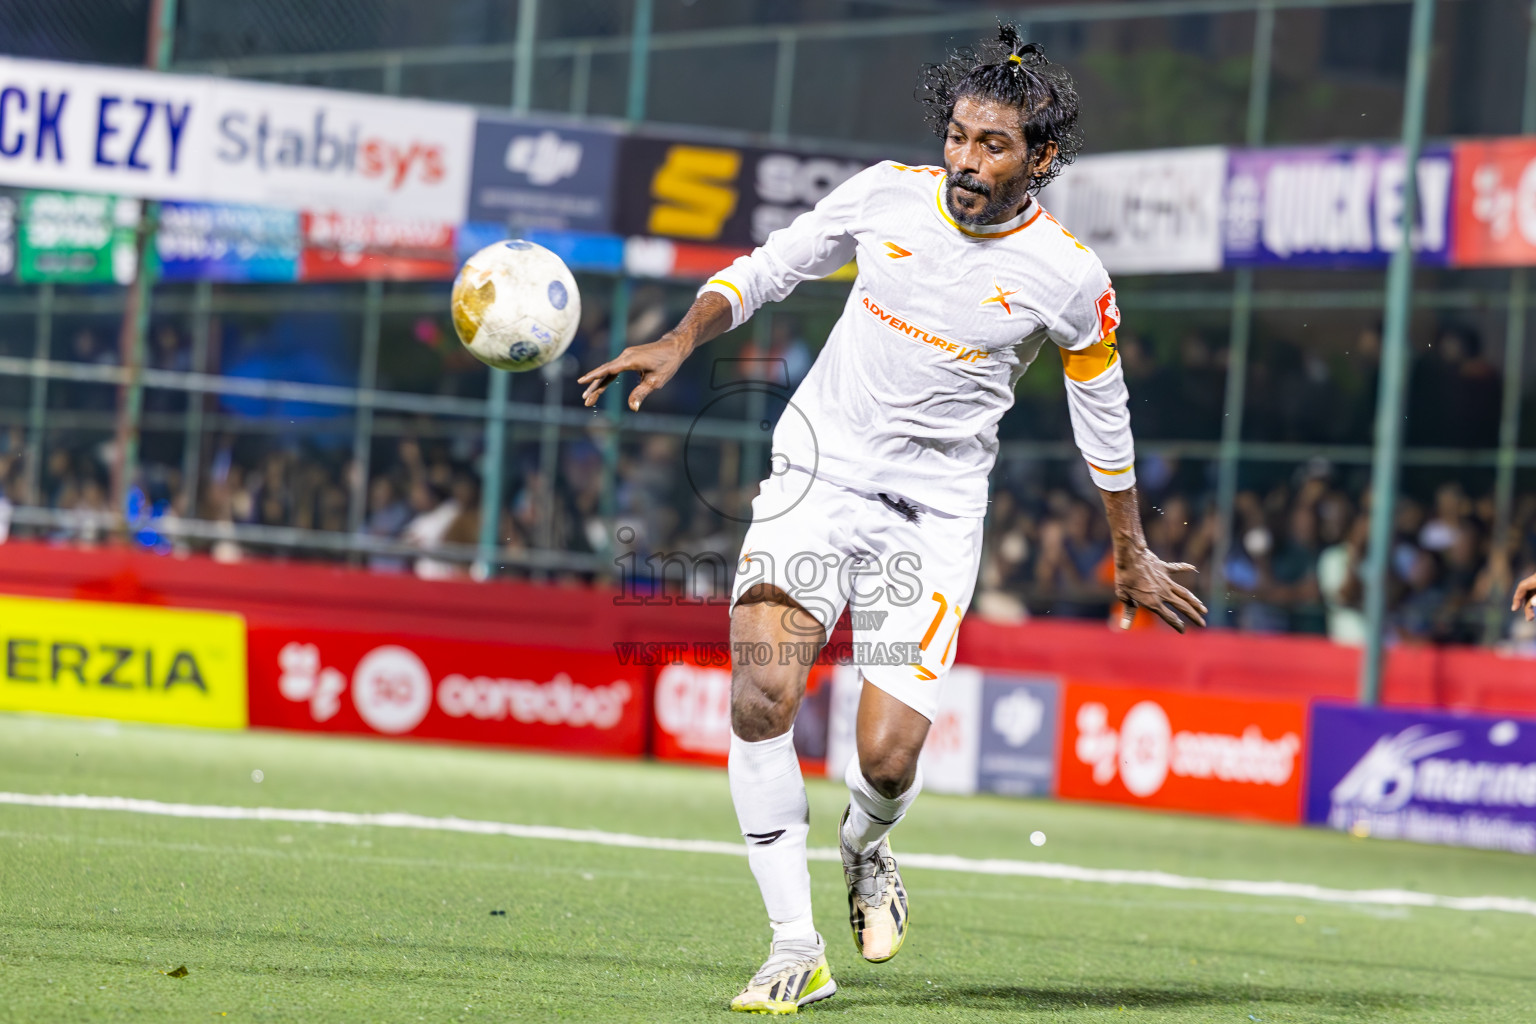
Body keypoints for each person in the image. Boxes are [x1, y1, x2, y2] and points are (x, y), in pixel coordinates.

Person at [578, 26, 1206, 1014]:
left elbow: (1103, 408)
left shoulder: (1068, 275)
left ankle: (865, 847)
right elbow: (769, 267)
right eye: (958, 136)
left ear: (1040, 158)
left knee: (885, 757)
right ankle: (796, 945)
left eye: (992, 146)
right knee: (759, 694)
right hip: (817, 474)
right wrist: (679, 335)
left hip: (935, 511)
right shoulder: (885, 194)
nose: (966, 159)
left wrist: (1129, 548)